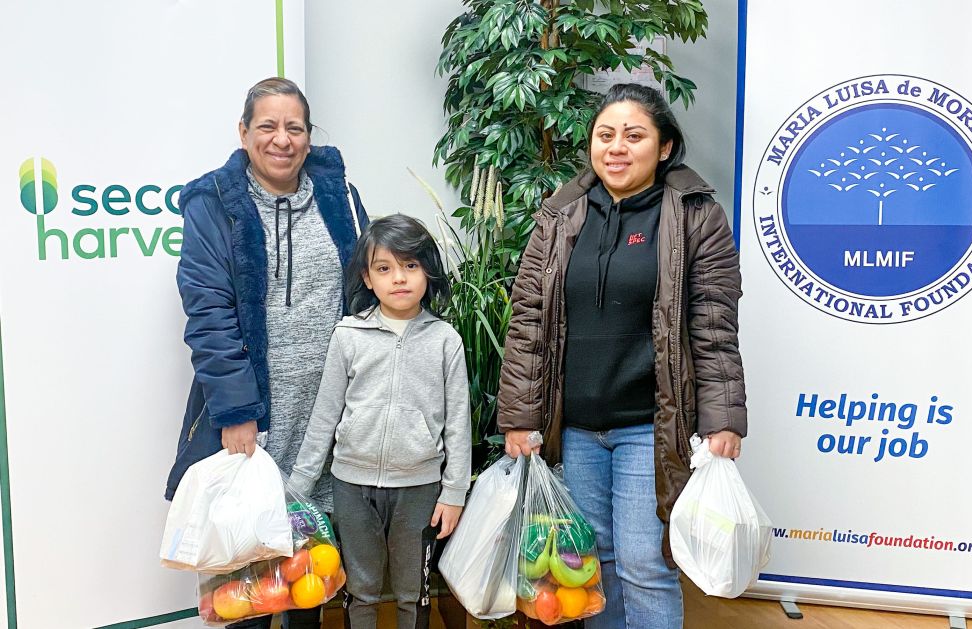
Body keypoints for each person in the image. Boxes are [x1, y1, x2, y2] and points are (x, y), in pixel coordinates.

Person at [498, 83, 747, 629]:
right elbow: (529, 323)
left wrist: (723, 420)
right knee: (593, 564)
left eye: (634, 136)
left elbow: (713, 326)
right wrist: (520, 417)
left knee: (643, 565)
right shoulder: (561, 214)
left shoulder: (694, 216)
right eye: (604, 135)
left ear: (664, 148)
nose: (616, 147)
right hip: (579, 427)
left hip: (650, 426)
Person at [165, 77, 368, 629]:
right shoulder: (214, 204)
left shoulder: (340, 197)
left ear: (308, 135)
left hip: (329, 417)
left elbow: (368, 294)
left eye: (294, 127)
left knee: (311, 581)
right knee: (248, 590)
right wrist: (237, 413)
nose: (282, 139)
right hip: (258, 421)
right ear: (243, 132)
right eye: (267, 126)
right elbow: (208, 312)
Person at [288, 214, 472, 629]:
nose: (399, 279)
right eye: (384, 268)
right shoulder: (348, 335)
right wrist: (297, 487)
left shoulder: (446, 340)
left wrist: (455, 492)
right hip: (352, 485)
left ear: (428, 271)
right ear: (367, 278)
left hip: (419, 488)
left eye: (411, 265)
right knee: (363, 588)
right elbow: (325, 414)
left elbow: (459, 424)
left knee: (413, 592)